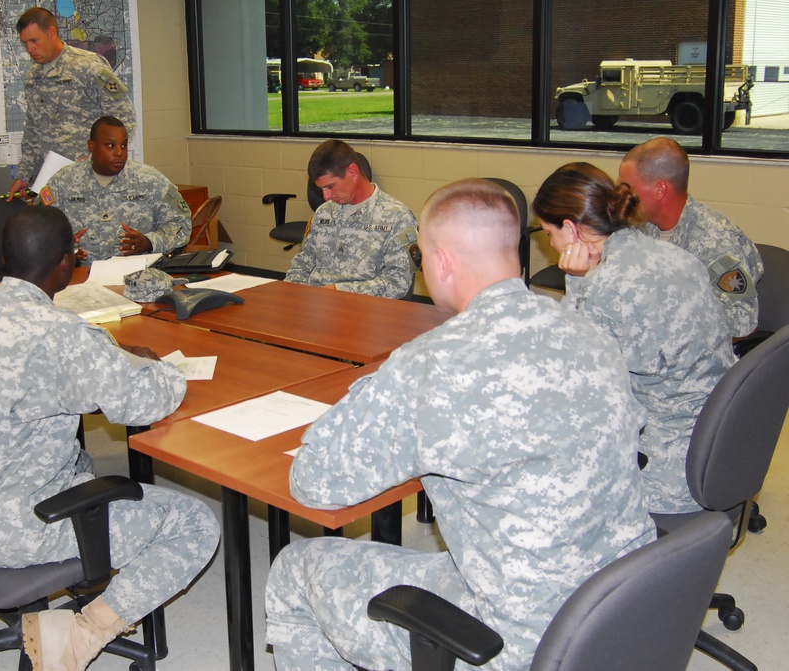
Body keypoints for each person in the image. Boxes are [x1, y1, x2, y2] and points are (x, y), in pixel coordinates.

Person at [266, 179, 656, 671]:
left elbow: (314, 483)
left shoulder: (433, 364)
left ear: (443, 262)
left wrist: (380, 385)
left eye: (421, 255)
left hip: (525, 640)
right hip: (628, 602)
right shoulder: (588, 329)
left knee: (296, 568)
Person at [0, 205, 219, 671]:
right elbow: (139, 404)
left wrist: (105, 354)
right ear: (66, 263)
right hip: (13, 524)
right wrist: (160, 367)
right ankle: (82, 633)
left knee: (79, 460)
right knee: (196, 523)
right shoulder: (61, 334)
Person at [533, 162, 737, 514]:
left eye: (549, 233)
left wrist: (580, 280)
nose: (550, 244)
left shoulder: (606, 287)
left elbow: (571, 376)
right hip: (723, 443)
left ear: (571, 229)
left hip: (669, 471)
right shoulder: (675, 256)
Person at [619, 137, 763, 337]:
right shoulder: (643, 227)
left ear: (660, 190)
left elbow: (742, 323)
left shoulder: (716, 241)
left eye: (628, 188)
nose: (623, 196)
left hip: (701, 359)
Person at [7, 7, 138, 200]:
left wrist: (98, 158)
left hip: (90, 178)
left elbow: (124, 118)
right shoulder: (34, 77)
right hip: (54, 181)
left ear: (52, 33)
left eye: (34, 41)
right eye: (25, 43)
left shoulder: (88, 66)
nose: (30, 49)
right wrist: (24, 175)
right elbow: (34, 129)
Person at [39, 116, 191, 262]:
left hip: (138, 273)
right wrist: (64, 251)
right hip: (82, 276)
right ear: (91, 146)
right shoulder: (63, 182)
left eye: (123, 145)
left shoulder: (150, 180)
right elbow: (38, 231)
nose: (119, 153)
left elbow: (181, 224)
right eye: (111, 145)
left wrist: (150, 241)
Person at [283, 140, 417, 299]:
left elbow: (397, 283)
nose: (326, 197)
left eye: (330, 187)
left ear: (353, 171)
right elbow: (301, 266)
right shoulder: (323, 213)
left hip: (363, 309)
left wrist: (339, 291)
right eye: (321, 189)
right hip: (316, 305)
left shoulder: (397, 217)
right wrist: (291, 297)